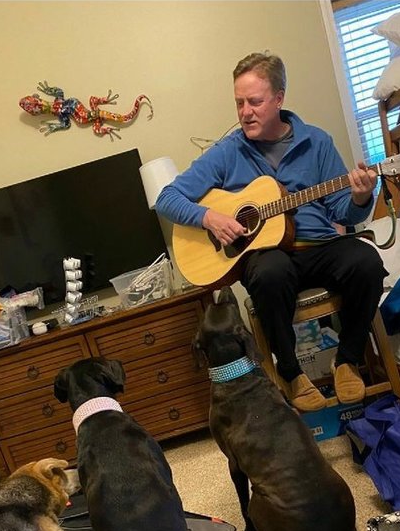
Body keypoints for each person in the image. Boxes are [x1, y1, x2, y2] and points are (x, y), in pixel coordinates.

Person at [155, 51, 387, 412]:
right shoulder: (227, 152)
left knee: (367, 261)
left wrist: (360, 196)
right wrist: (209, 218)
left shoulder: (317, 142)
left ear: (279, 98)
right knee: (268, 272)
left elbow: (341, 209)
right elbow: (167, 197)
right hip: (269, 257)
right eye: (239, 103)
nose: (245, 112)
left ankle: (348, 360)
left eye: (255, 102)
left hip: (317, 245)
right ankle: (293, 374)